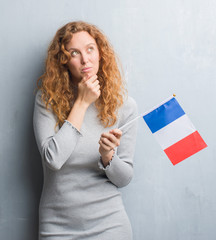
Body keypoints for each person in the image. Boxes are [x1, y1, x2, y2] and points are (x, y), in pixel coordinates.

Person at [33, 21, 138, 239]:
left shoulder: (124, 106)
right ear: (63, 61)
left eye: (90, 49)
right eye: (74, 53)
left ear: (100, 53)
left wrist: (108, 156)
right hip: (57, 227)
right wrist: (81, 103)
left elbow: (124, 178)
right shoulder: (47, 100)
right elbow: (53, 159)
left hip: (110, 226)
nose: (85, 59)